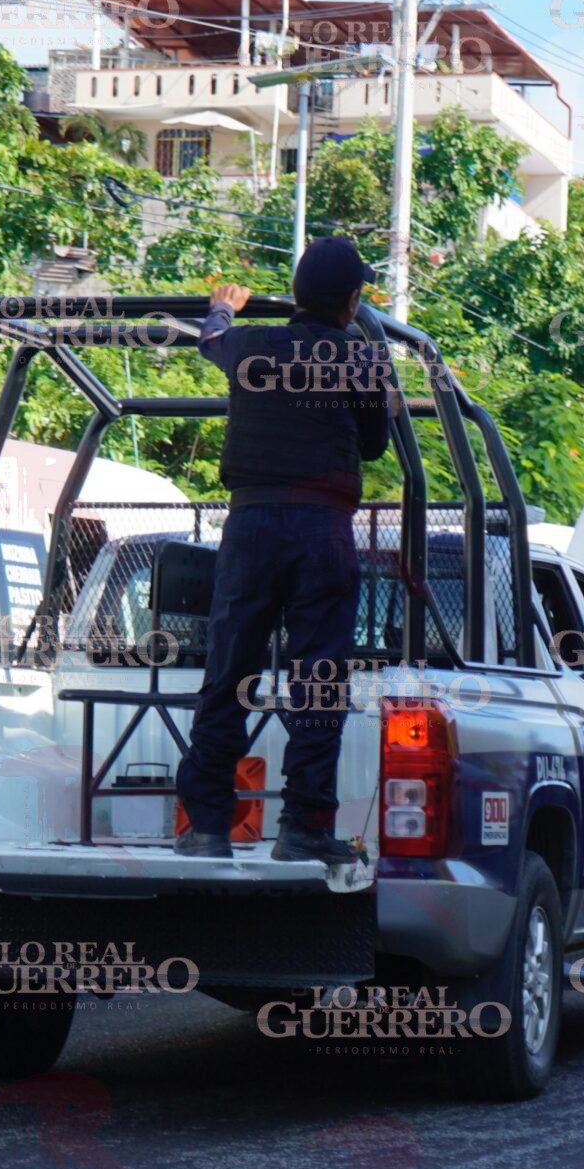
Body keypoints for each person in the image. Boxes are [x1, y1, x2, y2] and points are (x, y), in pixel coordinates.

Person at [174, 238, 395, 863]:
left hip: (249, 528)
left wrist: (224, 308)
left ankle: (208, 827)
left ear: (296, 296)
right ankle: (303, 829)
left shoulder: (251, 342)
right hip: (322, 527)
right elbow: (376, 444)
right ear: (352, 302)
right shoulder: (361, 355)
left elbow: (211, 340)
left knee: (229, 674)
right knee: (319, 683)